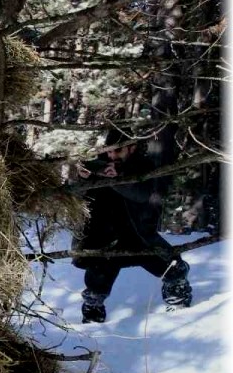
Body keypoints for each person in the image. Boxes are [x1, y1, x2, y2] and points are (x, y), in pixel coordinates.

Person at [72, 128, 193, 323]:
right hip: (105, 238)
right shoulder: (100, 166)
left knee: (173, 269)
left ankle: (180, 309)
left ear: (132, 148)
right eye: (109, 151)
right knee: (95, 288)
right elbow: (79, 200)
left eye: (118, 151)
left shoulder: (144, 166)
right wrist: (83, 178)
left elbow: (141, 194)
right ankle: (92, 323)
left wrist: (116, 179)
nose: (112, 156)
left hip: (139, 235)